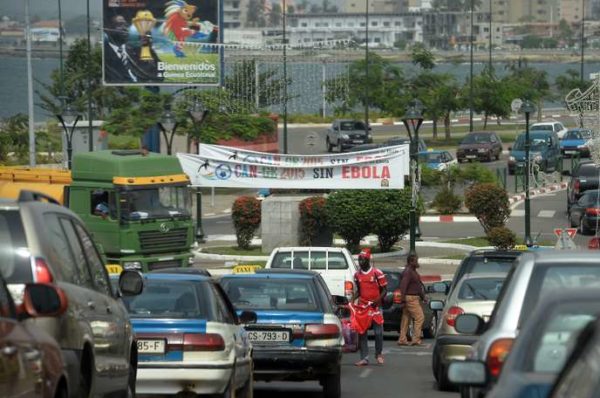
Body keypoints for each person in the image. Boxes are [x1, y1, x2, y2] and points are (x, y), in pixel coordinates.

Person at [352, 248, 387, 366]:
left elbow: (384, 290)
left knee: (378, 332)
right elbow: (359, 291)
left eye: (362, 260)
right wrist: (351, 300)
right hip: (363, 307)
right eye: (359, 260)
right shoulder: (357, 275)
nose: (360, 262)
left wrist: (377, 301)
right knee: (362, 332)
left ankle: (378, 354)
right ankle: (364, 358)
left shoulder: (377, 273)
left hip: (375, 308)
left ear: (368, 260)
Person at [104, 14, 163, 84]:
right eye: (119, 25)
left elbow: (159, 72)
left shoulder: (134, 51)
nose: (124, 28)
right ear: (109, 27)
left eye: (126, 25)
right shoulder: (104, 53)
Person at [397, 253, 426, 346]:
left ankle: (402, 339)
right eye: (416, 261)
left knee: (406, 318)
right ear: (411, 262)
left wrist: (422, 297)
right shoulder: (408, 272)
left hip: (411, 298)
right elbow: (403, 286)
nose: (417, 262)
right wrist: (403, 299)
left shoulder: (412, 271)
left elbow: (417, 287)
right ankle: (416, 339)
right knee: (420, 317)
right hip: (411, 298)